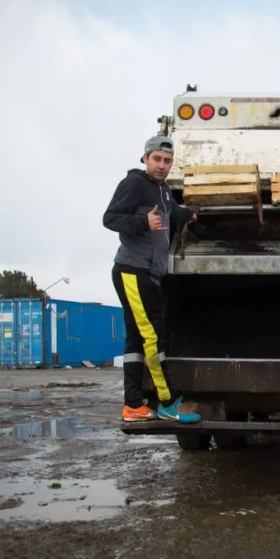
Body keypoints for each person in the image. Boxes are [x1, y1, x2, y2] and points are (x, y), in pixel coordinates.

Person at [102, 135, 202, 423]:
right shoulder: (134, 184)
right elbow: (110, 218)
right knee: (152, 338)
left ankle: (134, 404)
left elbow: (173, 211)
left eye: (167, 161)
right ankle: (166, 403)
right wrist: (142, 222)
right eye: (157, 159)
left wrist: (191, 214)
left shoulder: (163, 190)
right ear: (145, 158)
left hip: (147, 272)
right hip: (133, 270)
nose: (162, 165)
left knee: (135, 338)